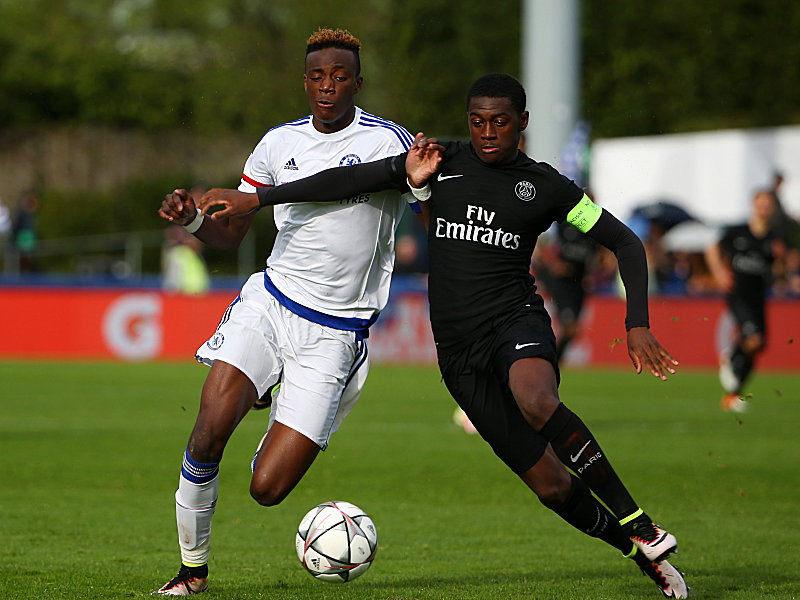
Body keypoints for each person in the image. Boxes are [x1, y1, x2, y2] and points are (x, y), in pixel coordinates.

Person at [200, 73, 688, 598]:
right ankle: (638, 552)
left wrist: (636, 322)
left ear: (522, 123)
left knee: (536, 399)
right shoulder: (438, 161)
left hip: (515, 320)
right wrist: (262, 200)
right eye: (477, 122)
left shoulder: (549, 186)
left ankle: (638, 520)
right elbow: (347, 180)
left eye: (500, 122)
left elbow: (624, 241)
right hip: (458, 356)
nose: (487, 132)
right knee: (549, 485)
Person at [153, 28, 434, 595]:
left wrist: (428, 198)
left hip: (337, 333)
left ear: (358, 82)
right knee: (207, 433)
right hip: (272, 303)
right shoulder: (278, 143)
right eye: (316, 77)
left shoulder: (388, 143)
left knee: (267, 489)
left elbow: (419, 208)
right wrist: (192, 220)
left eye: (339, 77)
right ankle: (191, 571)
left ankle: (278, 398)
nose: (327, 87)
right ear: (303, 81)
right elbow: (230, 235)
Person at [705, 189, 785, 412]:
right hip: (738, 295)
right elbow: (711, 248)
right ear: (753, 205)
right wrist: (720, 273)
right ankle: (732, 362)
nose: (764, 208)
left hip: (758, 297)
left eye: (768, 205)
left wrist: (781, 261)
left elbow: (778, 273)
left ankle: (733, 393)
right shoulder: (738, 231)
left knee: (758, 345)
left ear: (773, 209)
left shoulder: (775, 238)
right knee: (754, 339)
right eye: (761, 203)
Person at [161, 224, 210, 295]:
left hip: (196, 295)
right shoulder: (179, 253)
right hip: (185, 295)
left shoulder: (194, 255)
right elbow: (173, 278)